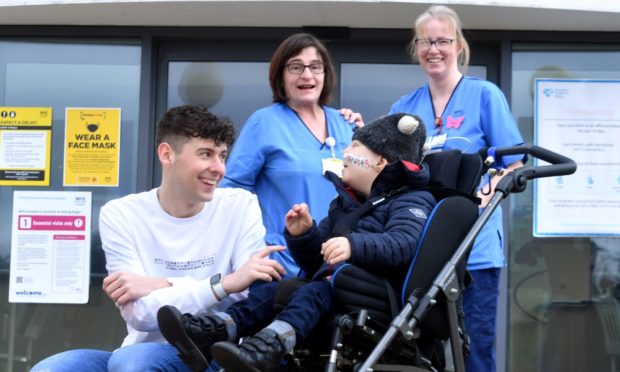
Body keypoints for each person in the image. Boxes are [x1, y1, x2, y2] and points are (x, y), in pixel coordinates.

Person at [157, 112, 437, 372]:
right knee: (274, 291)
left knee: (312, 292)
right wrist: (303, 235)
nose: (345, 154)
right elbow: (316, 261)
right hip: (334, 290)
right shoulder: (345, 204)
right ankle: (215, 331)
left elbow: (403, 244)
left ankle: (270, 347)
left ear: (380, 162)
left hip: (372, 299)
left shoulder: (412, 200)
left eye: (354, 148)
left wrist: (353, 246)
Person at [31, 105, 285, 372]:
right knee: (50, 369)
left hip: (215, 355)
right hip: (137, 351)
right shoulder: (121, 214)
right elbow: (140, 315)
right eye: (206, 154)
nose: (218, 168)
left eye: (222, 156)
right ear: (167, 154)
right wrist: (223, 285)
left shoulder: (240, 205)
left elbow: (247, 297)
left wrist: (157, 284)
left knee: (132, 364)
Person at [388, 5, 525, 372]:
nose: (434, 49)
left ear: (458, 45)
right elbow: (388, 169)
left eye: (442, 41)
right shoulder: (404, 109)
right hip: (422, 251)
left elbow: (515, 163)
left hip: (474, 250)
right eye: (425, 42)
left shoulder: (484, 96)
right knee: (418, 351)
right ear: (416, 48)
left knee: (475, 351)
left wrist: (490, 190)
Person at [220, 32, 360, 278]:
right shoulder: (263, 122)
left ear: (326, 74)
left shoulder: (345, 124)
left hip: (336, 264)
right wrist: (247, 248)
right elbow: (231, 192)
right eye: (296, 67)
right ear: (280, 76)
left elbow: (367, 187)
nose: (307, 75)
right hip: (283, 264)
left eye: (315, 67)